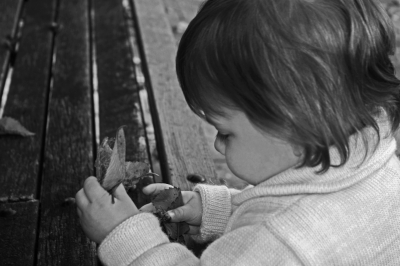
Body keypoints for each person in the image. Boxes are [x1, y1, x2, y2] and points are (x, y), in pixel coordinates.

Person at [75, 0, 400, 264]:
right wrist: (219, 209)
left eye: (226, 133)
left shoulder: (280, 242)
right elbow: (284, 205)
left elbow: (273, 238)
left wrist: (126, 236)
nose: (217, 144)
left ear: (295, 127)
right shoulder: (370, 162)